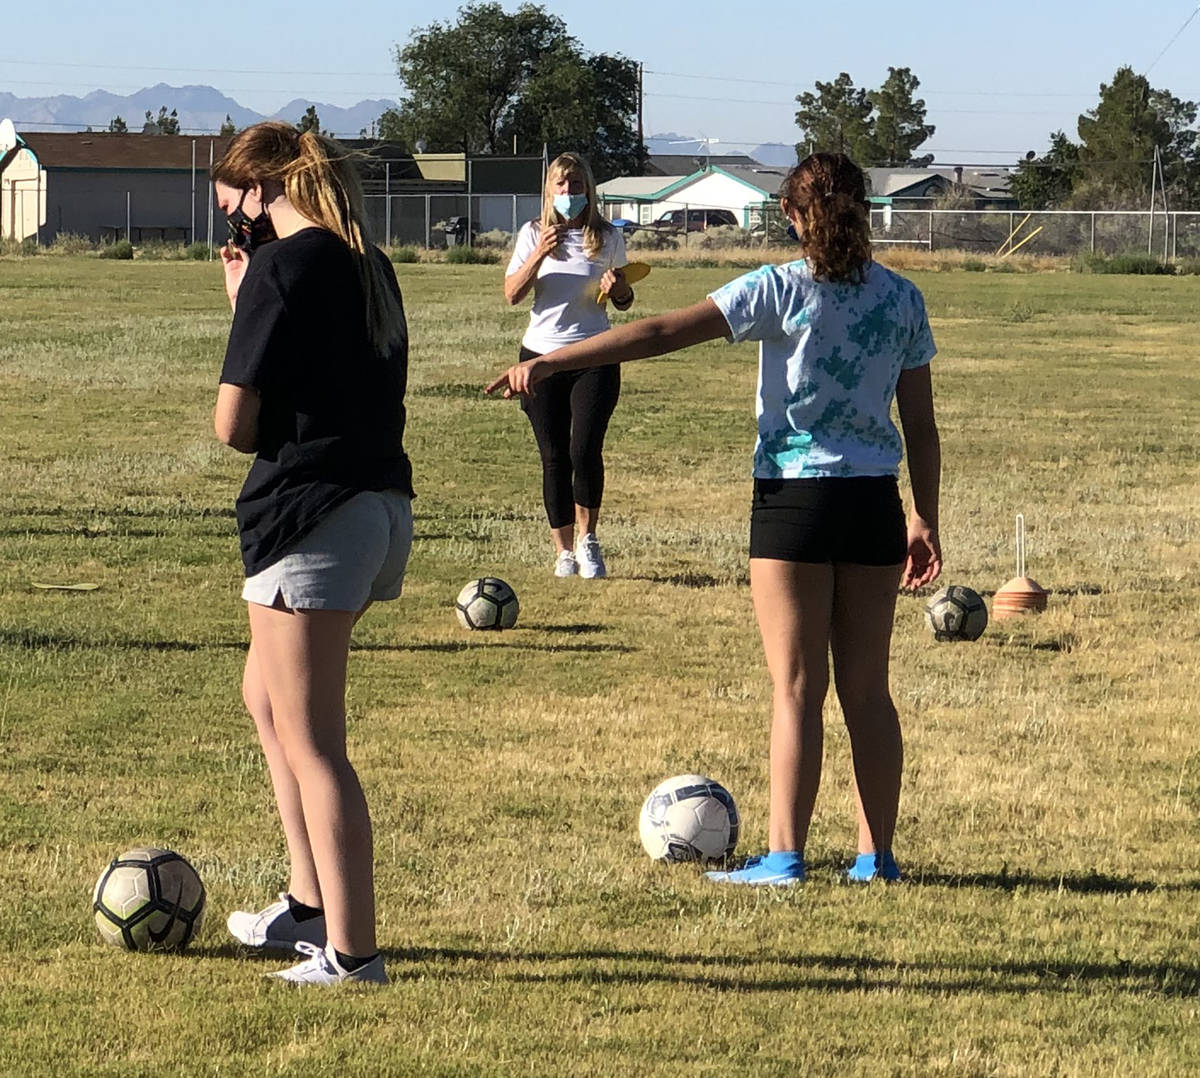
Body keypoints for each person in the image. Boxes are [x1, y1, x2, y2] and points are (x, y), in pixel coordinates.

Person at [488, 153, 941, 885]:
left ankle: (785, 857)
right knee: (868, 690)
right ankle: (876, 858)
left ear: (793, 217)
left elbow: (663, 331)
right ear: (863, 210)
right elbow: (920, 427)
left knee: (797, 688)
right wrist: (925, 517)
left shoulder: (777, 288)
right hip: (872, 505)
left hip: (793, 506)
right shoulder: (903, 300)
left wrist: (553, 362)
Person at [211, 121, 414, 982]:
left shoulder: (282, 267)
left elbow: (234, 427)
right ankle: (307, 904)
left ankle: (353, 951)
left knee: (314, 740)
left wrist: (247, 300)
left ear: (263, 192)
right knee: (266, 696)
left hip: (311, 518)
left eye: (234, 214)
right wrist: (247, 305)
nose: (234, 233)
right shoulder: (368, 261)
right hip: (377, 507)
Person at [503, 152, 635, 579]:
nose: (568, 193)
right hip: (540, 358)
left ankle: (589, 541)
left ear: (588, 190)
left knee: (585, 449)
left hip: (595, 354)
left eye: (576, 186)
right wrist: (540, 253)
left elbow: (624, 299)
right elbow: (512, 295)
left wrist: (620, 290)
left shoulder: (609, 237)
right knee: (555, 455)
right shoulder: (532, 233)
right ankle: (563, 551)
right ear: (549, 190)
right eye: (560, 186)